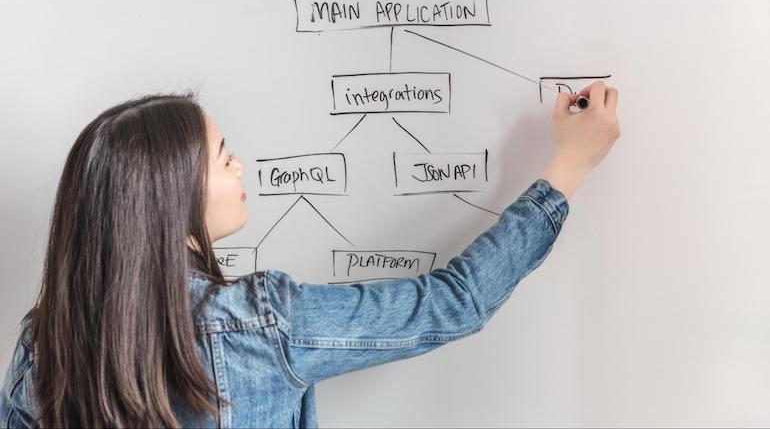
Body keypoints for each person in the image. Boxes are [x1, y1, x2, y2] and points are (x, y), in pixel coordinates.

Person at [0, 81, 619, 428]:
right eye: (222, 157)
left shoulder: (46, 338)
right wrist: (566, 169)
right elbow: (452, 302)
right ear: (173, 196)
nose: (239, 164)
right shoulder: (256, 324)